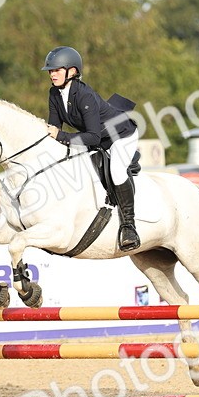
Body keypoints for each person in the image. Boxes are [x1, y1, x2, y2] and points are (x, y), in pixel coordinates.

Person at [42, 45, 142, 251]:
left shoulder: (84, 95)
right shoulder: (54, 94)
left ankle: (129, 226)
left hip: (120, 135)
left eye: (57, 70)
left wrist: (61, 136)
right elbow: (54, 130)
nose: (52, 74)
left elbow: (91, 136)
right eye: (51, 71)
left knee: (115, 171)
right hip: (97, 138)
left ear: (72, 71)